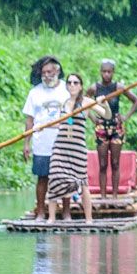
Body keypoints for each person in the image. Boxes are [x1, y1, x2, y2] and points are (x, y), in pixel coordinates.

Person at [45, 73, 104, 222]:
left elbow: (106, 115)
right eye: (69, 82)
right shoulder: (64, 103)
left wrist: (105, 104)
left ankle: (89, 219)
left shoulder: (86, 102)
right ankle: (51, 218)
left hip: (77, 150)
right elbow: (60, 124)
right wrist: (41, 127)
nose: (72, 85)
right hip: (60, 147)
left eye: (75, 82)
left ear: (81, 85)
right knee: (54, 178)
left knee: (82, 183)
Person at [89, 58, 137, 196]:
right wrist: (93, 119)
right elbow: (84, 103)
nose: (106, 74)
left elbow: (136, 101)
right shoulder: (95, 88)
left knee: (115, 162)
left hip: (116, 128)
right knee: (102, 164)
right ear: (100, 72)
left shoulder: (118, 87)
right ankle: (103, 195)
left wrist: (125, 117)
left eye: (109, 72)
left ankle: (115, 196)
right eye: (104, 72)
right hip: (101, 128)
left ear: (113, 73)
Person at [22, 56, 65, 221]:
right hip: (41, 142)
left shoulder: (66, 89)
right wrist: (27, 143)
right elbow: (29, 120)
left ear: (57, 71)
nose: (46, 75)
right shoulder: (35, 92)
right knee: (42, 177)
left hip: (62, 141)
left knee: (63, 176)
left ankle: (65, 212)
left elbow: (72, 115)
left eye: (50, 72)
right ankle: (41, 212)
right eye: (43, 72)